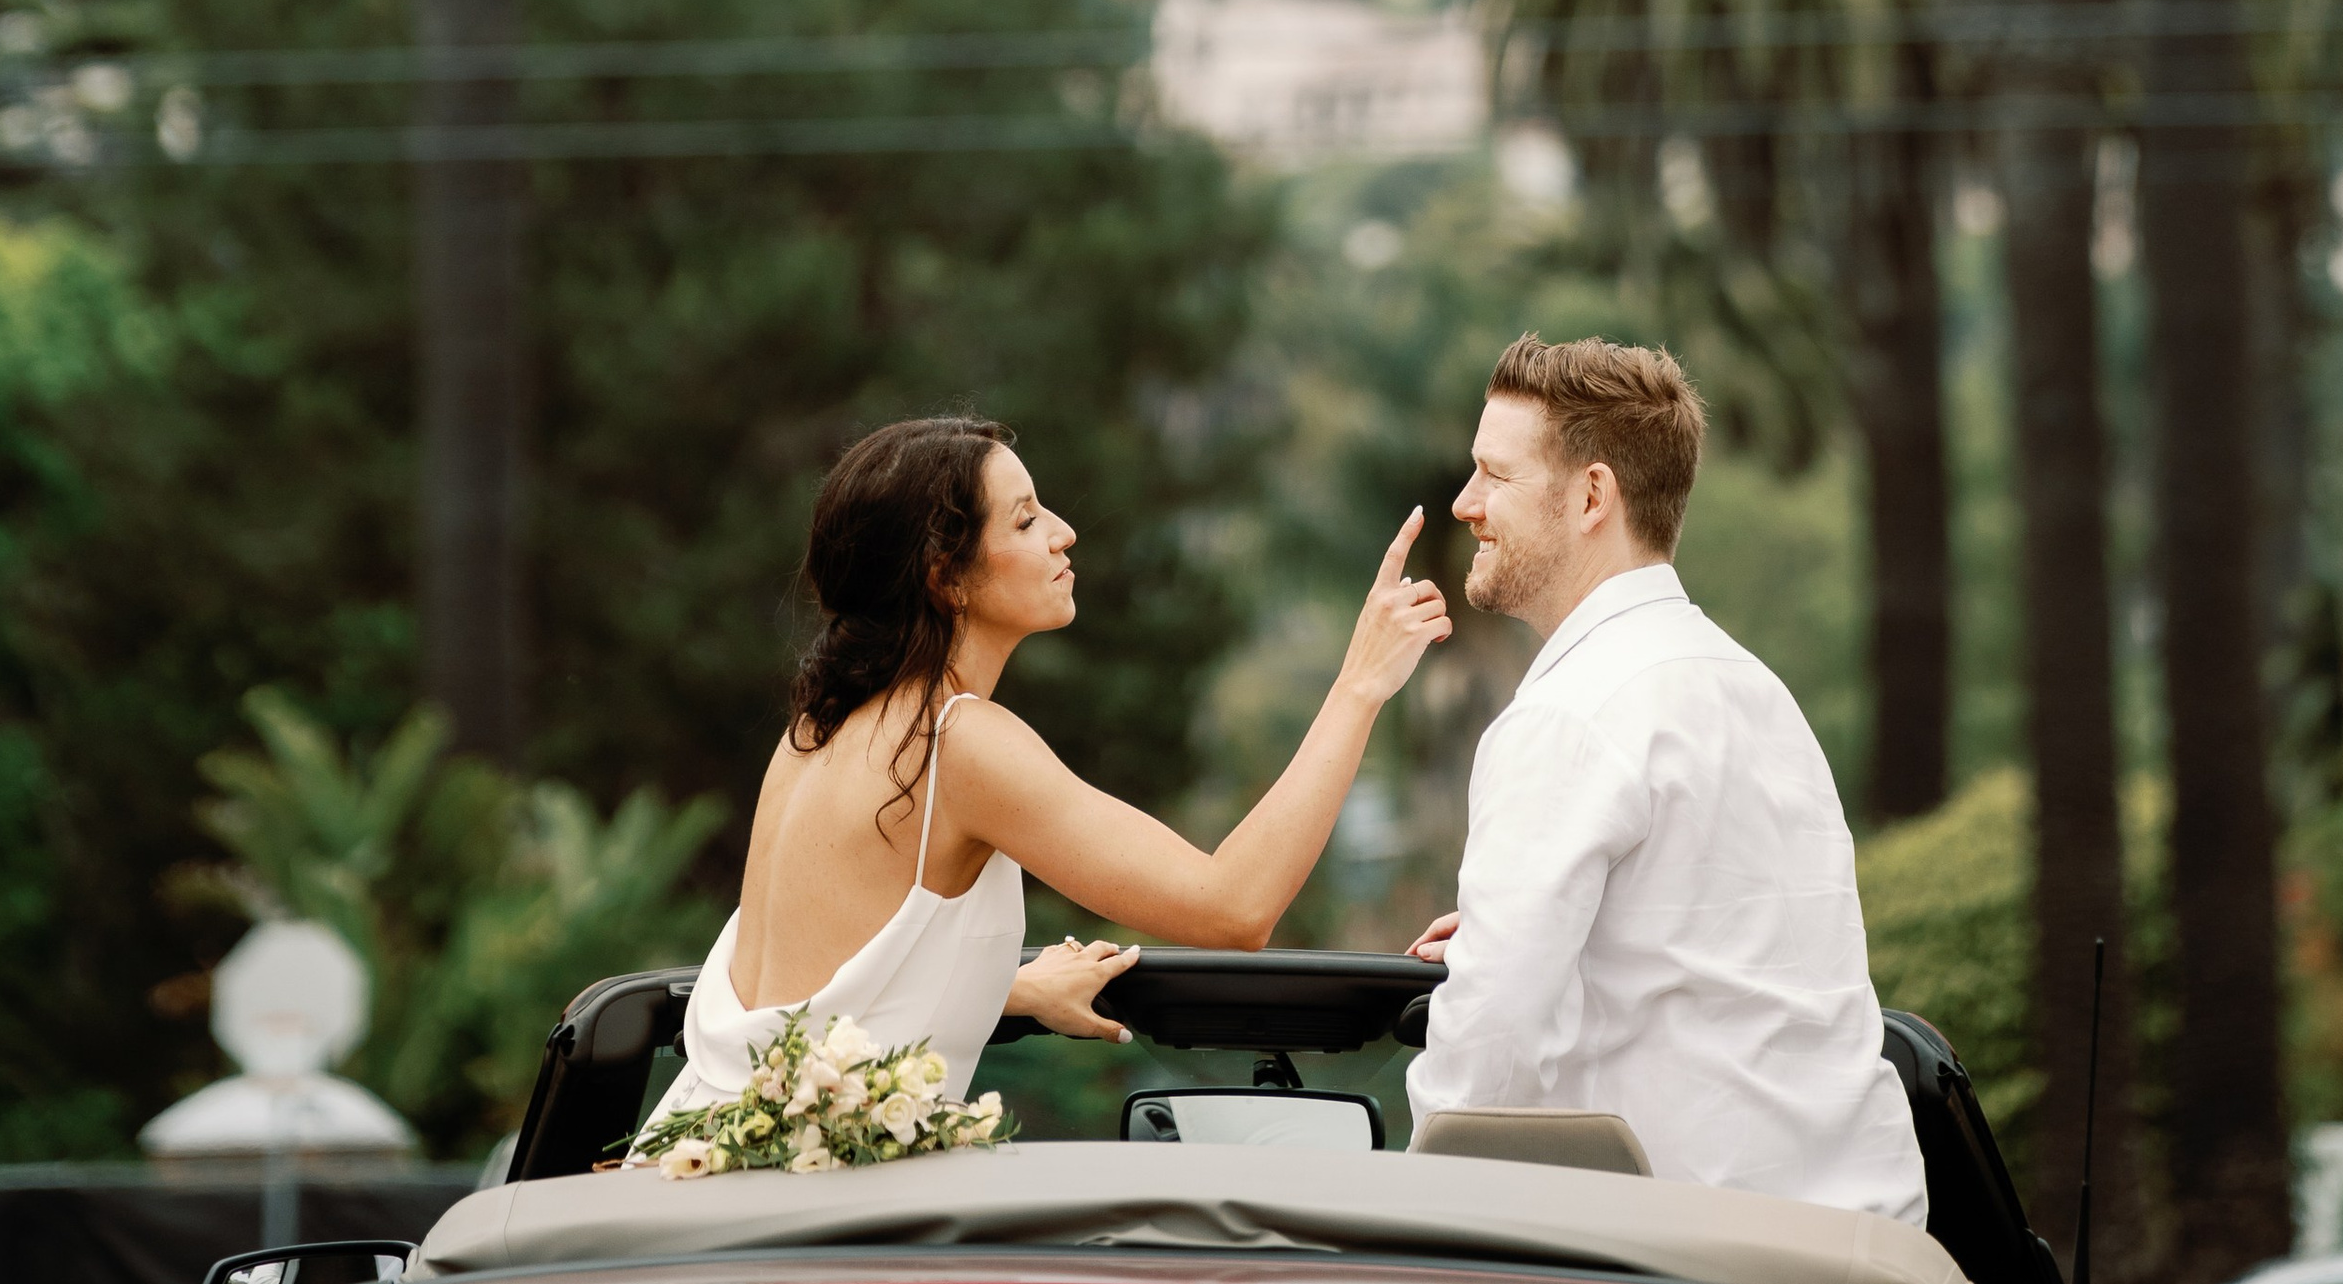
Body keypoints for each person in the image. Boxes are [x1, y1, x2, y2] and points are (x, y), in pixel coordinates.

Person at [648, 411, 1449, 1125]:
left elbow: (821, 989)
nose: (1064, 532)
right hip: (791, 1214)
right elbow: (1233, 910)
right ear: (944, 575)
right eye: (1027, 520)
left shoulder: (816, 730)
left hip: (703, 1168)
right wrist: (1360, 685)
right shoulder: (958, 741)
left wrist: (1007, 989)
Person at [1405, 334, 1925, 1222]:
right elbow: (1725, 953)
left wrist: (1411, 1216)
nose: (1464, 504)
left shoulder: (1566, 716)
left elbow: (1489, 1053)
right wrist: (1539, 934)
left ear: (1592, 495)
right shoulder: (1756, 692)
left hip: (1698, 1268)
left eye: (1494, 475)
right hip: (1867, 1254)